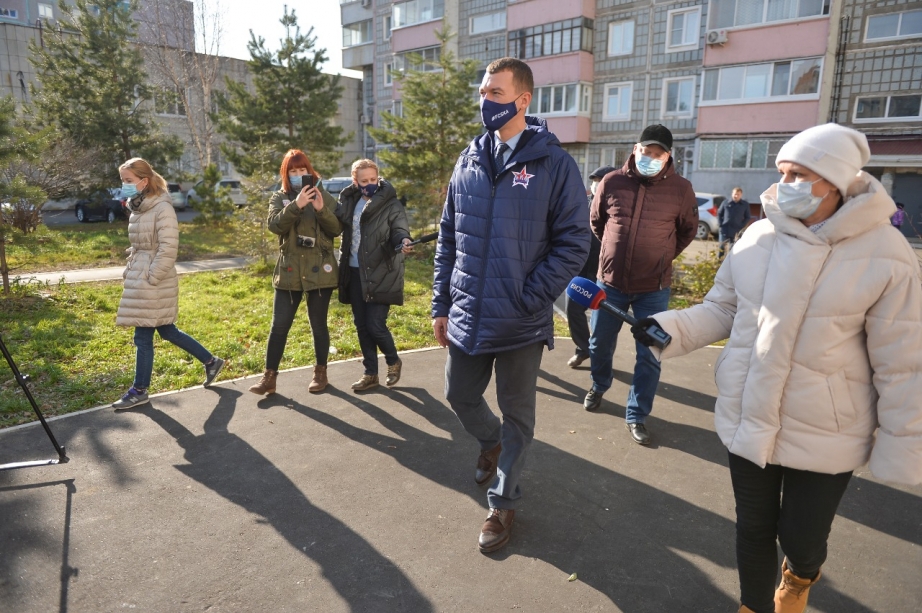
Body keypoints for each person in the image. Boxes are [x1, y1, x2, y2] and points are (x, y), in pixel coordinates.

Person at [630, 123, 922, 613]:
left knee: (801, 538)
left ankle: (801, 575)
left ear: (835, 180)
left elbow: (903, 361)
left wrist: (902, 440)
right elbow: (723, 308)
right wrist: (669, 328)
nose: (787, 183)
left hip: (827, 425)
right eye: (783, 171)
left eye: (800, 174)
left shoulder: (886, 253)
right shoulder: (757, 236)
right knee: (753, 528)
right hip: (750, 408)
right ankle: (754, 606)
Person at [432, 57, 590, 553]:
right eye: (482, 92)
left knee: (518, 415)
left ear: (523, 100)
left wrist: (533, 294)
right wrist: (441, 302)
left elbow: (573, 242)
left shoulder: (555, 164)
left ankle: (503, 502)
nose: (486, 101)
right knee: (459, 394)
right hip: (467, 312)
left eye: (495, 93)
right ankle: (488, 442)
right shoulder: (469, 158)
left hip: (521, 318)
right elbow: (448, 235)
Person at [583, 124, 698, 446]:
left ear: (667, 156)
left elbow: (687, 231)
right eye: (645, 150)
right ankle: (599, 384)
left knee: (649, 354)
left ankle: (636, 415)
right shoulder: (611, 181)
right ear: (636, 149)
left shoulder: (681, 189)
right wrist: (611, 254)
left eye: (657, 153)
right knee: (599, 345)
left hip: (653, 289)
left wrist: (662, 257)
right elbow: (597, 222)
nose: (650, 156)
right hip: (611, 284)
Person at [113, 158, 225, 409]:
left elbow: (168, 248)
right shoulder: (140, 206)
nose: (125, 186)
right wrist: (134, 260)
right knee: (166, 330)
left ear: (144, 180)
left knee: (143, 336)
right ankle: (211, 361)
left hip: (153, 281)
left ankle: (139, 390)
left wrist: (152, 276)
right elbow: (144, 242)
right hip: (142, 276)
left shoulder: (161, 207)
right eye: (123, 181)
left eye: (128, 181)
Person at [247, 149, 342, 396]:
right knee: (279, 325)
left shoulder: (324, 195)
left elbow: (336, 230)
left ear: (309, 171)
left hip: (320, 270)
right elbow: (275, 225)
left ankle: (320, 373)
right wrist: (297, 205)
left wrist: (321, 209)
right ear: (286, 173)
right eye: (293, 171)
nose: (299, 175)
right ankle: (269, 377)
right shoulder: (279, 198)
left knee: (318, 325)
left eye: (303, 170)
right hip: (289, 271)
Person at [335, 159, 412, 392]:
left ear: (378, 178)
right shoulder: (350, 201)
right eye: (364, 180)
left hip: (382, 271)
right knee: (361, 325)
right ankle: (370, 373)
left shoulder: (391, 204)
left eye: (373, 179)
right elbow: (337, 224)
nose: (369, 184)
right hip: (354, 271)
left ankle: (393, 360)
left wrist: (404, 241)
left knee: (375, 324)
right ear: (355, 182)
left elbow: (399, 229)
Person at [565, 166, 612, 369]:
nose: (596, 185)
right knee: (573, 310)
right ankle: (584, 349)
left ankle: (603, 359)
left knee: (603, 320)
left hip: (605, 272)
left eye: (601, 181)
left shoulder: (617, 209)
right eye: (594, 181)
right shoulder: (582, 205)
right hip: (581, 270)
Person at [718, 187, 750, 259]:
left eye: (738, 194)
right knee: (721, 248)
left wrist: (741, 226)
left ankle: (729, 264)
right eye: (735, 194)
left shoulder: (744, 205)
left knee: (733, 250)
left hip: (736, 231)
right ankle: (718, 264)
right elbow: (719, 213)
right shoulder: (725, 202)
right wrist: (720, 224)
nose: (736, 196)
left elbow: (747, 217)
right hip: (725, 229)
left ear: (741, 195)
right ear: (732, 194)